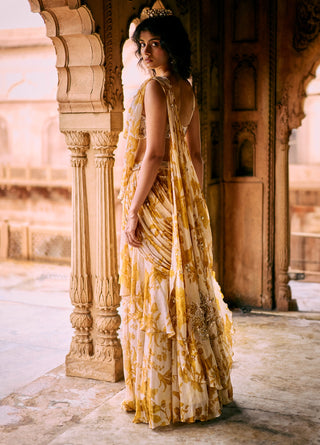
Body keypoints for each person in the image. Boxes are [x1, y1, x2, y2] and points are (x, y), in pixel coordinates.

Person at [118, 8, 233, 429]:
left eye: (154, 44)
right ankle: (197, 391)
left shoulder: (154, 88)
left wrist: (133, 210)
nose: (146, 53)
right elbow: (196, 154)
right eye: (141, 45)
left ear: (171, 45)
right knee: (183, 291)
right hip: (180, 200)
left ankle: (165, 398)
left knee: (158, 293)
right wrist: (191, 204)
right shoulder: (187, 87)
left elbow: (153, 154)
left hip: (154, 199)